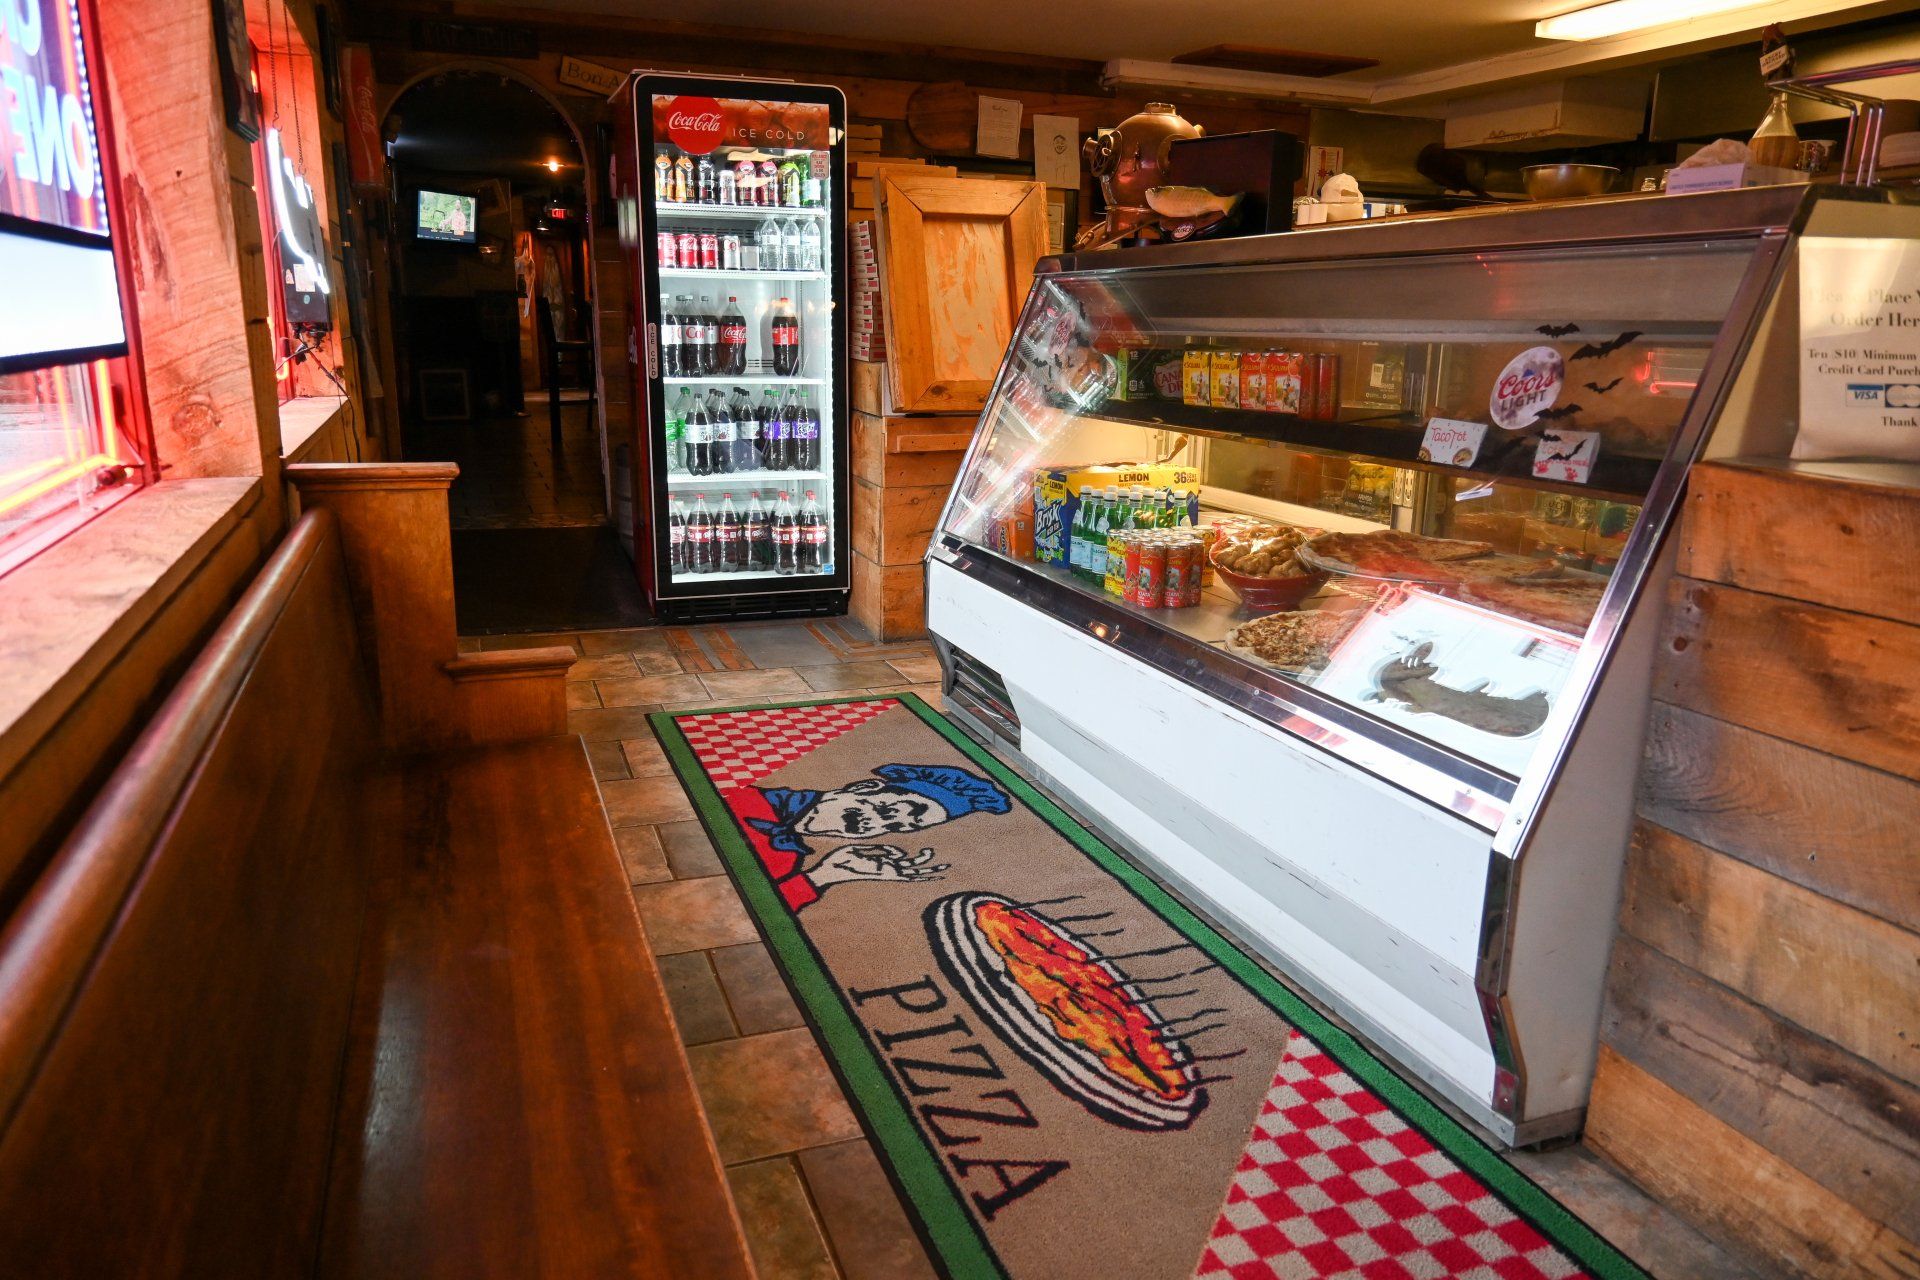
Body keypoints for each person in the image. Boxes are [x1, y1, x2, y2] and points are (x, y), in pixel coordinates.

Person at [729, 763, 1011, 912]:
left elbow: (756, 913)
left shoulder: (791, 856)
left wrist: (826, 875)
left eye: (898, 827)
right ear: (864, 787)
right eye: (885, 809)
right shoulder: (740, 800)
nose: (872, 825)